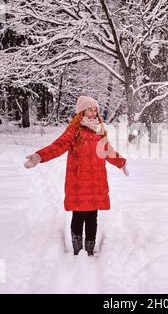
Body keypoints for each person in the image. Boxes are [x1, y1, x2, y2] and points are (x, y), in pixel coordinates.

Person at [24, 96, 129, 256]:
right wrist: (40, 156)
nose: (93, 112)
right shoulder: (74, 130)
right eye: (89, 109)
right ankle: (77, 249)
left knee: (93, 217)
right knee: (78, 214)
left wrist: (121, 162)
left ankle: (89, 249)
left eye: (95, 109)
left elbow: (107, 151)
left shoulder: (100, 131)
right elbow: (58, 146)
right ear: (81, 111)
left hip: (96, 181)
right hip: (78, 180)